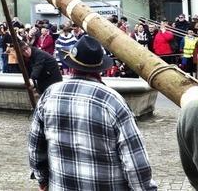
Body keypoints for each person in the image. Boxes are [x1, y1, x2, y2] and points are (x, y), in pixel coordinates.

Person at [28, 35, 156, 190]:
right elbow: (135, 161)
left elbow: (36, 147)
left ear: (71, 65)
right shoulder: (112, 101)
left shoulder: (49, 94)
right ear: (99, 68)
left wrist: (42, 179)